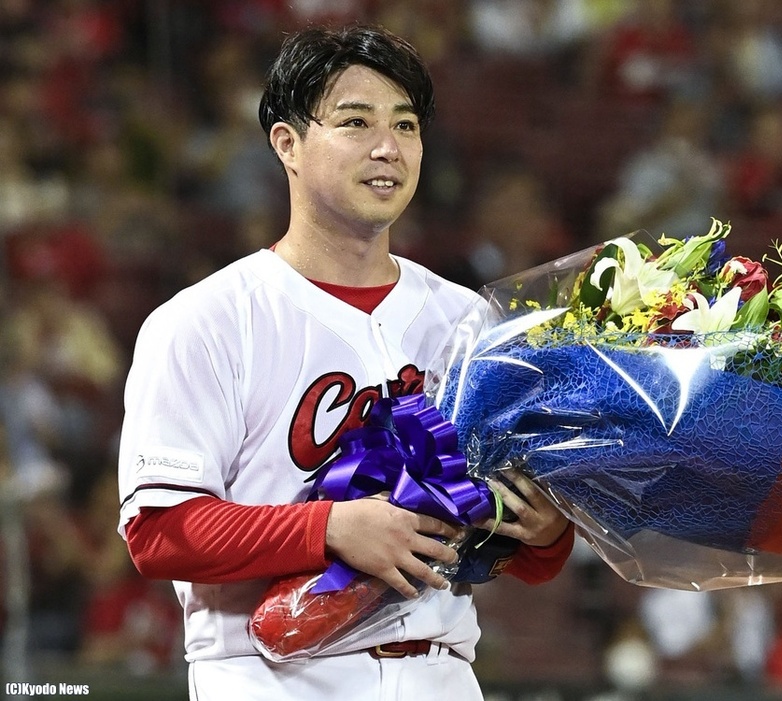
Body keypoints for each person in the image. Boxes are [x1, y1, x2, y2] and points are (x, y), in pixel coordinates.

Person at [115, 23, 574, 701]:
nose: (388, 147)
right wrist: (330, 528)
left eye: (407, 125)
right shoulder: (206, 320)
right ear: (287, 143)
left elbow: (527, 557)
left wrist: (545, 530)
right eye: (355, 122)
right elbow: (158, 531)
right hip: (272, 673)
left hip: (444, 671)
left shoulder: (468, 320)